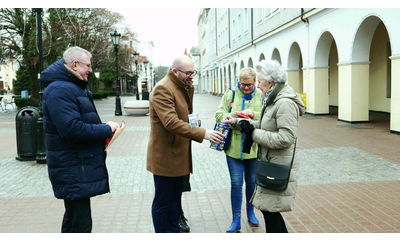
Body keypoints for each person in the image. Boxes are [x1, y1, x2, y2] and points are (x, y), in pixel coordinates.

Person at [40, 46, 119, 233]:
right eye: (88, 66)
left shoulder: (70, 86)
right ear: (75, 65)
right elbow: (72, 129)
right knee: (81, 225)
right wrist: (106, 129)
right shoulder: (61, 89)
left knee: (73, 219)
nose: (91, 70)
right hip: (72, 166)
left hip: (75, 165)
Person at [224, 59, 305, 233]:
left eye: (259, 82)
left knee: (270, 211)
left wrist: (253, 134)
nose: (258, 86)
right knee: (269, 211)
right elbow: (263, 124)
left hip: (278, 165)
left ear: (271, 82)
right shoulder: (273, 99)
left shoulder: (284, 103)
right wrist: (238, 123)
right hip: (271, 162)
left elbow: (286, 137)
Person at [147, 55, 224, 233]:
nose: (191, 76)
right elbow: (171, 122)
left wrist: (194, 124)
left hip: (178, 153)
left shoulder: (182, 86)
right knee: (163, 202)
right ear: (175, 71)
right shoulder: (163, 89)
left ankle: (173, 231)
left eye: (193, 72)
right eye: (188, 73)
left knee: (175, 201)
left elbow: (184, 115)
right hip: (166, 156)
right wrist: (203, 133)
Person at [215, 67, 263, 233]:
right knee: (236, 183)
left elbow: (267, 116)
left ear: (255, 82)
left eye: (249, 85)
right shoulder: (231, 94)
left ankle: (250, 212)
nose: (246, 88)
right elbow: (219, 113)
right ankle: (236, 219)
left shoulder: (261, 95)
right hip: (234, 149)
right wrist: (229, 118)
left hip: (253, 148)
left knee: (251, 182)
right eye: (243, 85)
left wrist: (252, 115)